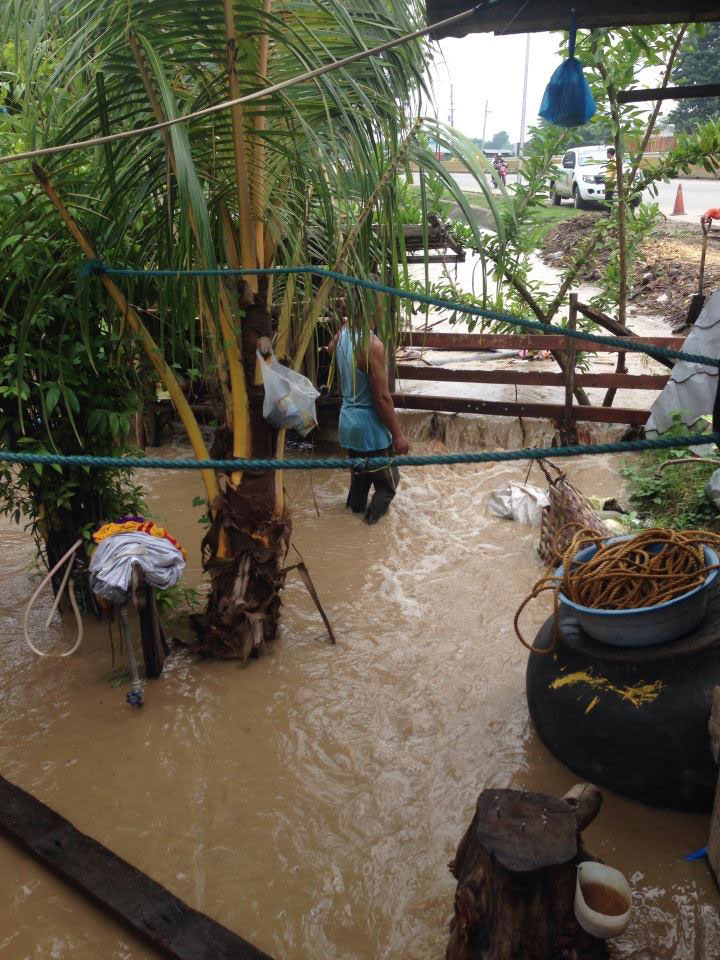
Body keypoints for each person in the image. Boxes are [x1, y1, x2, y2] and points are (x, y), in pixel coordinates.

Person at [327, 291, 409, 524]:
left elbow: (329, 349)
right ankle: (369, 527)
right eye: (382, 301)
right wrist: (398, 435)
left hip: (349, 424)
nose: (385, 307)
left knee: (360, 481)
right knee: (388, 485)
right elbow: (381, 398)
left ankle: (351, 524)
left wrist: (345, 322)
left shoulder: (345, 334)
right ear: (373, 307)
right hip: (370, 430)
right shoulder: (372, 345)